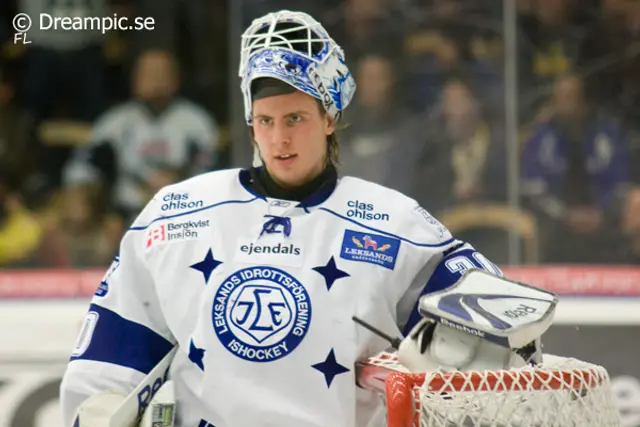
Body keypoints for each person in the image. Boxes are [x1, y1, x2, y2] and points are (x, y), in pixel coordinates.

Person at [60, 10, 543, 427]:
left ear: (328, 118)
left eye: (295, 119)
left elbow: (495, 332)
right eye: (265, 121)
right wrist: (96, 409)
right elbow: (111, 360)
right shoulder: (179, 213)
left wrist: (481, 350)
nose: (278, 140)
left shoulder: (392, 224)